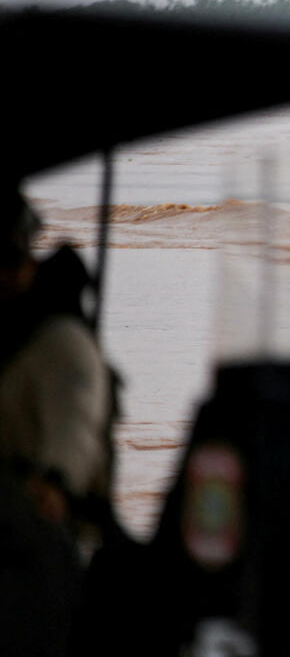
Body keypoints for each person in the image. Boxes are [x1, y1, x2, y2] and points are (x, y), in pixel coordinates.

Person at [0, 186, 117, 656]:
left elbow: (77, 421)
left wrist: (55, 480)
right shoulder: (10, 339)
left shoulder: (59, 340)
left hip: (41, 554)